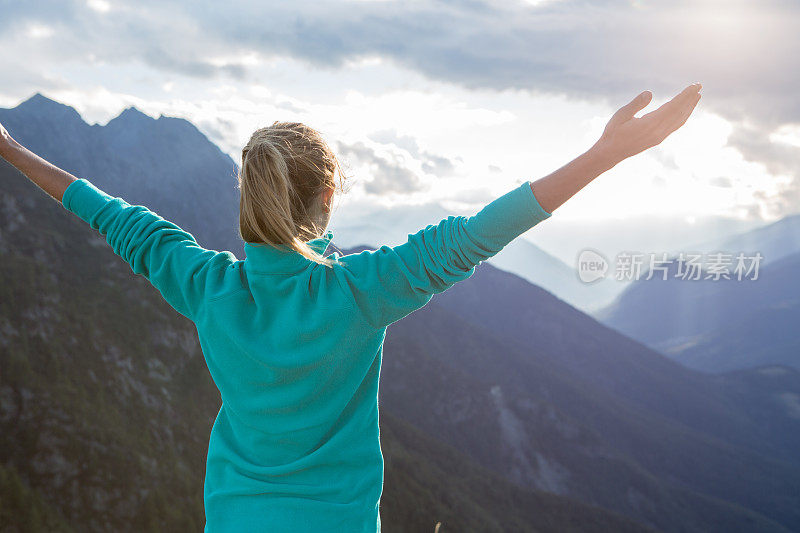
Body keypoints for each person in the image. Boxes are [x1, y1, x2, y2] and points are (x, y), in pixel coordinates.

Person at [0, 83, 702, 532]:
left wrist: (6, 145)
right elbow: (479, 233)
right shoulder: (359, 292)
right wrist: (605, 154)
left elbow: (106, 211)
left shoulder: (204, 284)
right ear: (327, 200)